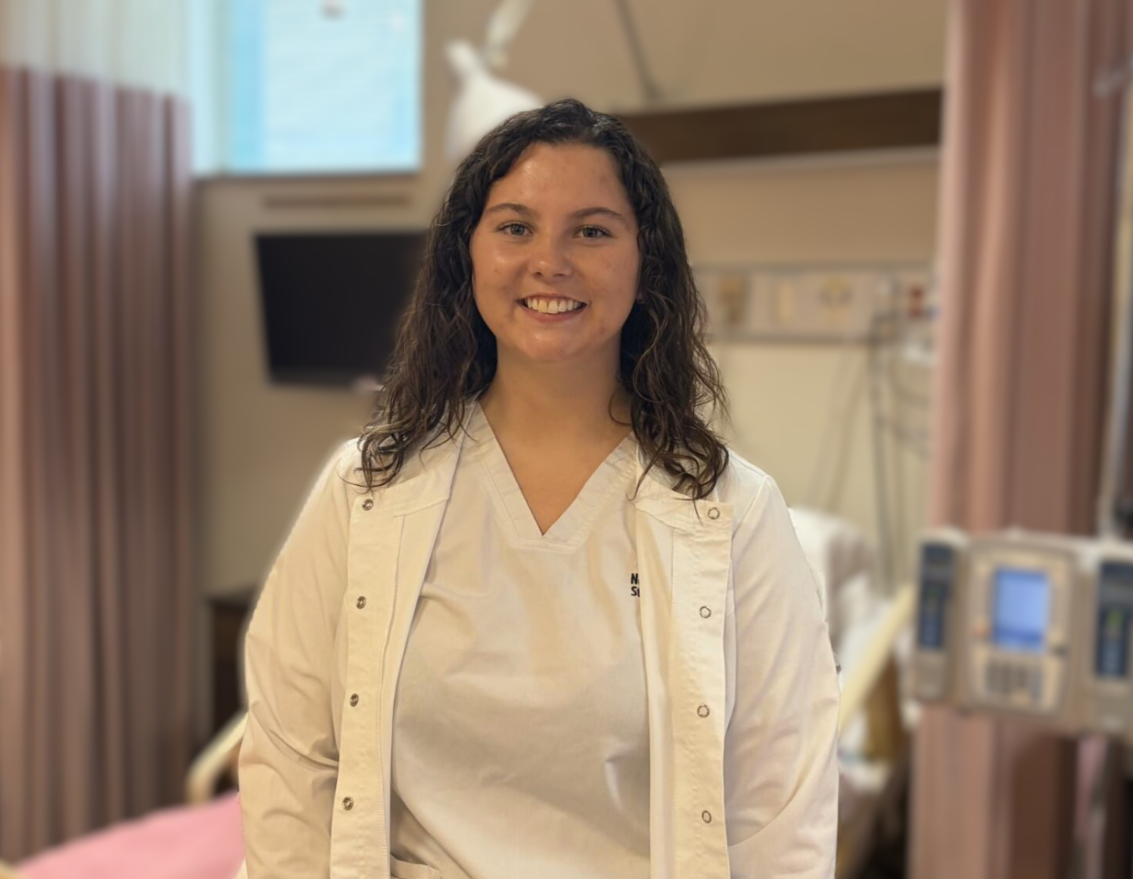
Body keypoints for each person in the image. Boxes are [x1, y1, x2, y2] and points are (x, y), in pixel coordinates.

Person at [237, 98, 840, 879]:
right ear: (470, 255)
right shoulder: (366, 489)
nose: (549, 261)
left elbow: (778, 806)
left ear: (643, 260)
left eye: (591, 230)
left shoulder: (736, 513)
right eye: (516, 227)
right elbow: (291, 754)